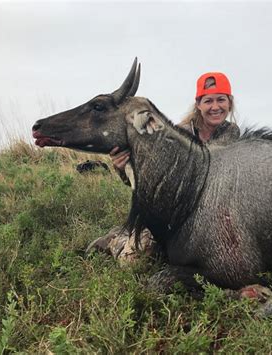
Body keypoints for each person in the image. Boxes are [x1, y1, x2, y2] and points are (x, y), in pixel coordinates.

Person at [86, 72, 241, 260]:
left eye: (221, 100)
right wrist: (123, 167)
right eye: (208, 101)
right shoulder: (179, 134)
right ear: (198, 104)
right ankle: (114, 240)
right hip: (171, 215)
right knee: (136, 260)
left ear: (229, 103)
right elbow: (149, 181)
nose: (215, 107)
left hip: (210, 214)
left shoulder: (232, 132)